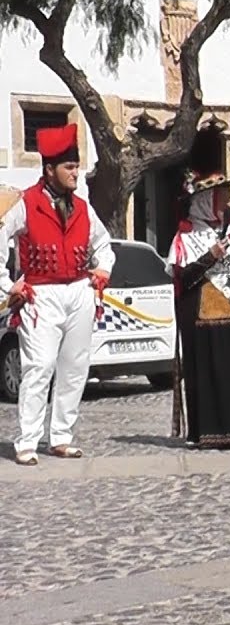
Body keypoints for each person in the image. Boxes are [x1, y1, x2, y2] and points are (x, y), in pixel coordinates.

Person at [0, 123, 114, 466]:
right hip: (41, 295)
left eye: (76, 166)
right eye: (68, 167)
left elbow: (103, 244)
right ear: (49, 170)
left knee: (75, 366)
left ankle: (61, 436)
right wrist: (9, 284)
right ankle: (27, 440)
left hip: (78, 291)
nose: (75, 173)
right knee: (40, 366)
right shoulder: (27, 204)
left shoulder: (82, 207)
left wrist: (103, 269)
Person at [167, 128, 230, 449]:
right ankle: (209, 432)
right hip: (204, 318)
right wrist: (210, 257)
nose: (227, 201)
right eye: (221, 196)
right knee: (210, 373)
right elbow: (182, 278)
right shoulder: (185, 238)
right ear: (205, 200)